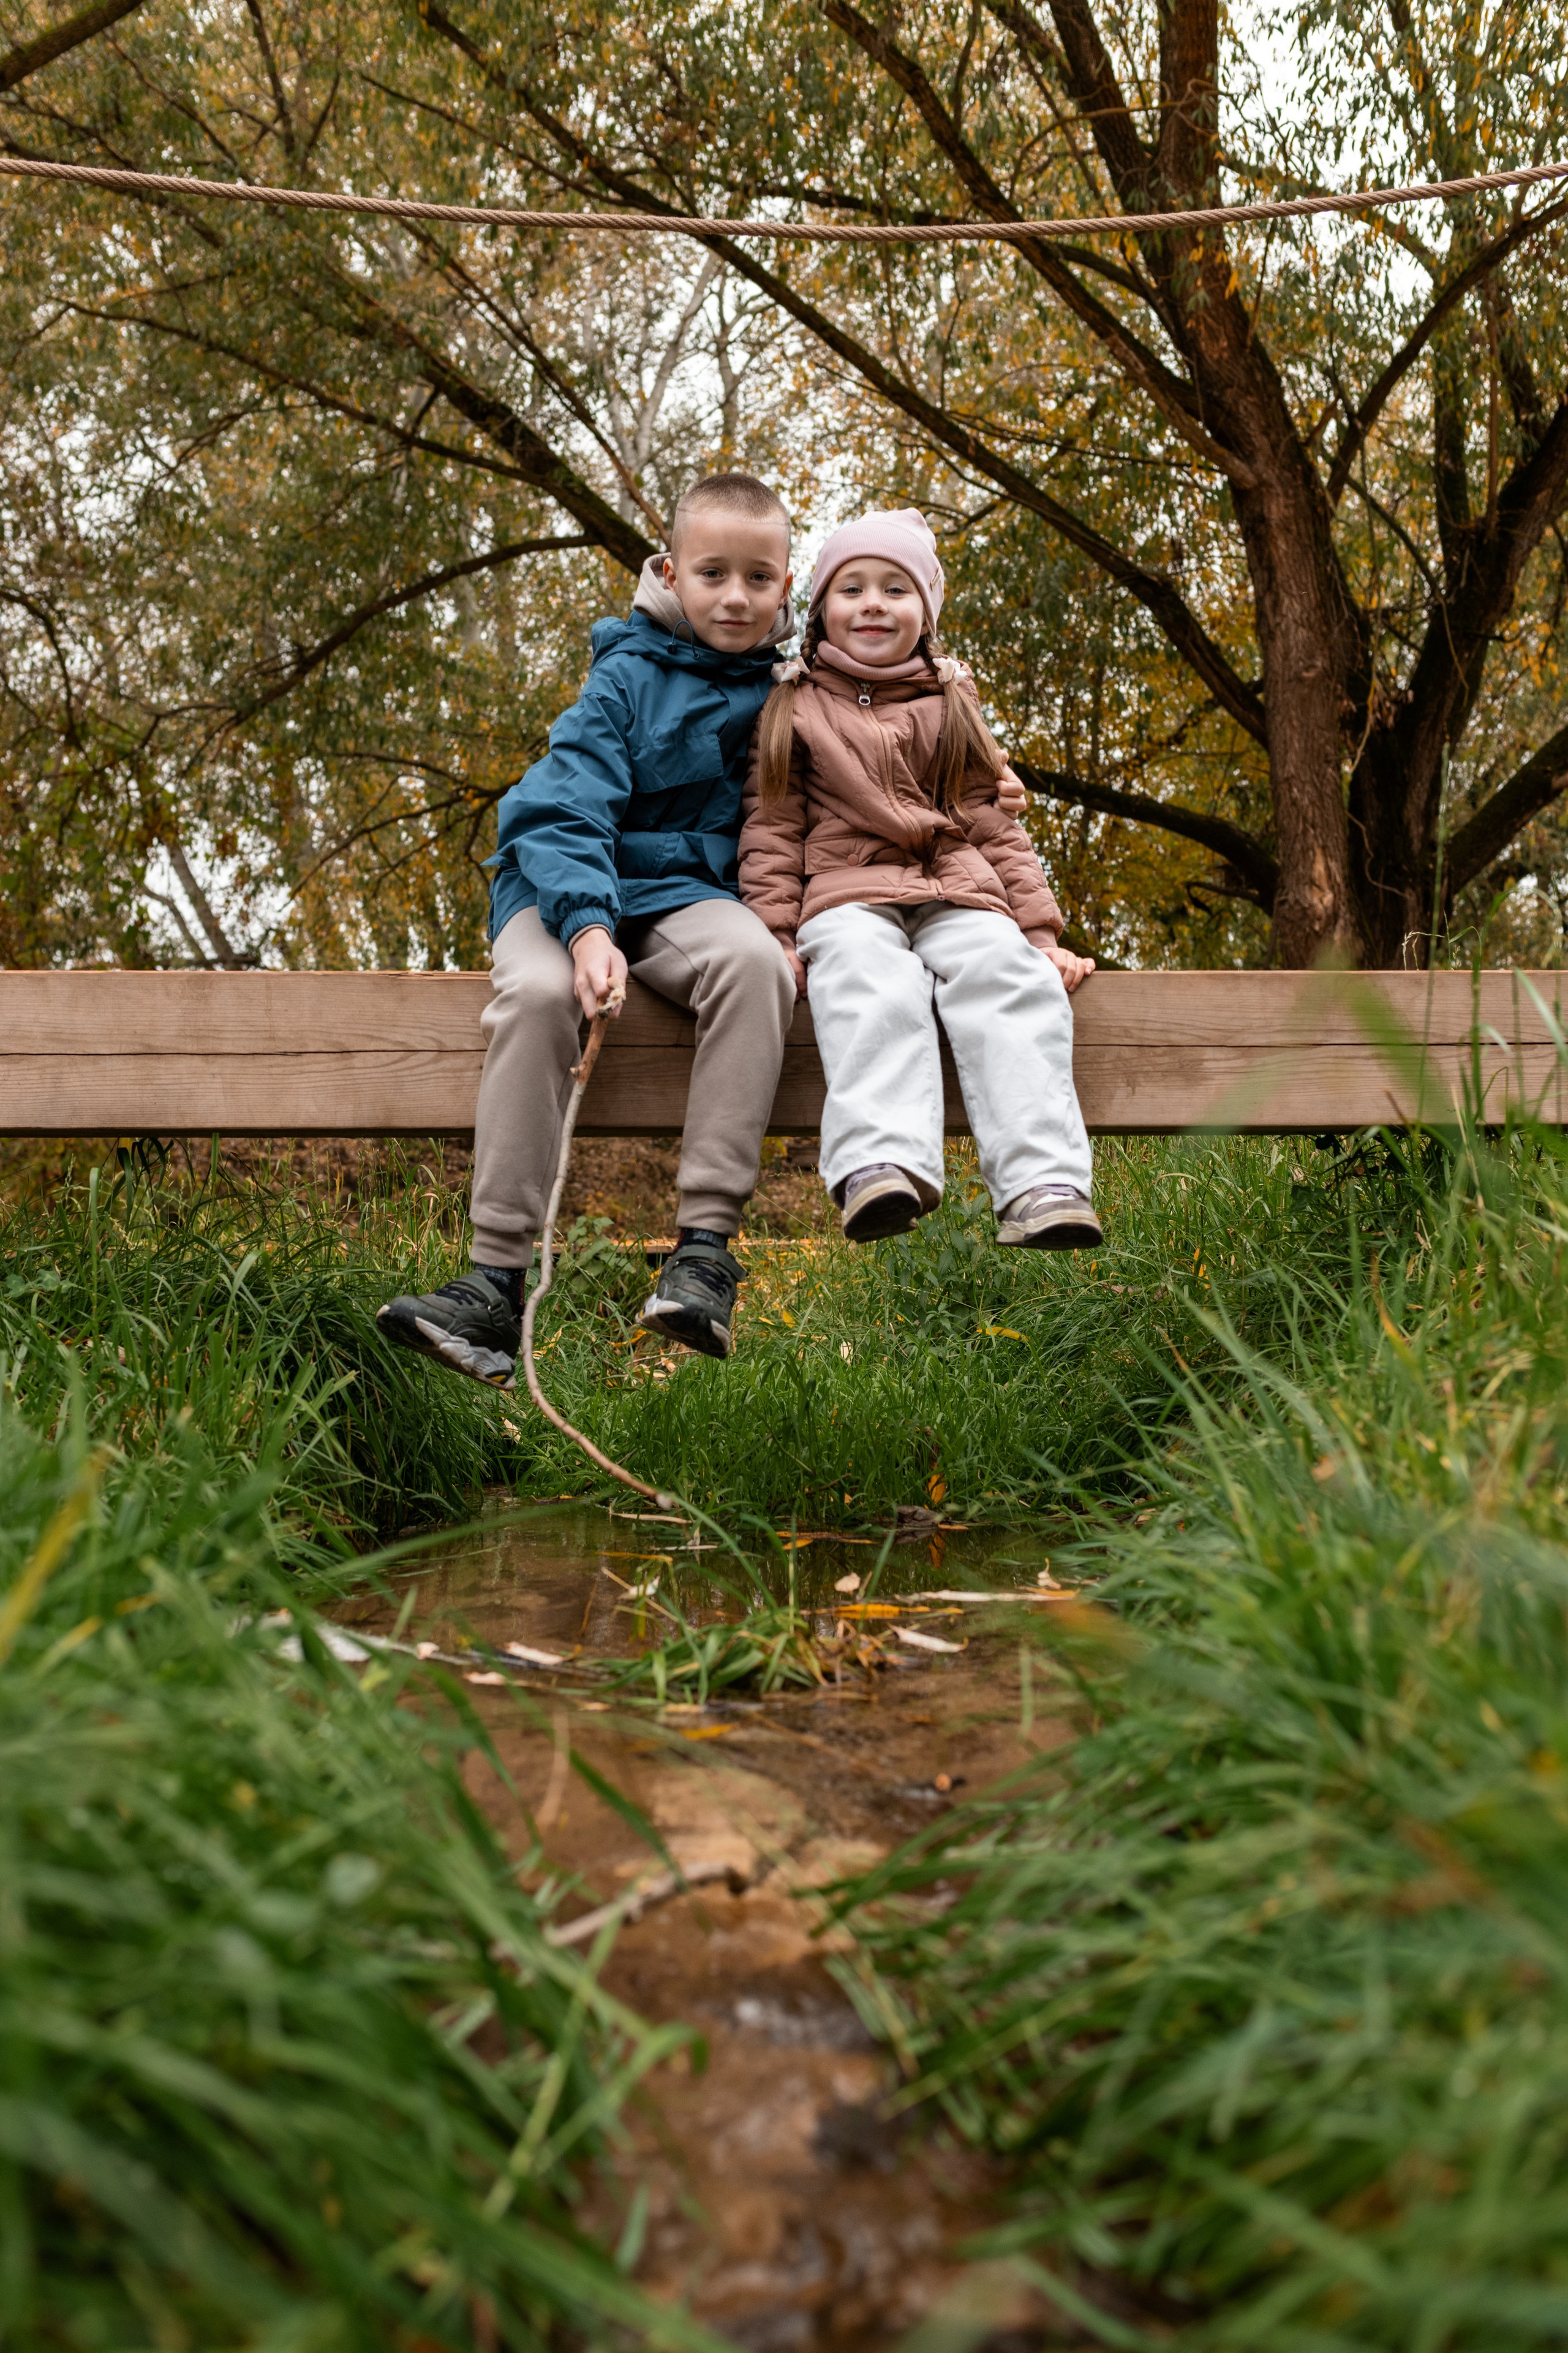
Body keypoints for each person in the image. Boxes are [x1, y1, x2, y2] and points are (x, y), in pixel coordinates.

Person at [377, 472, 802, 1376]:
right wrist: (586, 933)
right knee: (535, 996)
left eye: (758, 578)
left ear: (786, 588)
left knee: (759, 965)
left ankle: (702, 1259)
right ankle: (493, 1282)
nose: (735, 596)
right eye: (713, 573)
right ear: (672, 573)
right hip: (562, 885)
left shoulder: (795, 694)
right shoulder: (623, 677)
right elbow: (567, 814)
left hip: (684, 896)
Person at [738, 507, 1100, 1250]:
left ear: (926, 614)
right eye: (853, 588)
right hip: (847, 893)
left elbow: (993, 824)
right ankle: (880, 1163)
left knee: (1008, 977)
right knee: (871, 981)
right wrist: (774, 932)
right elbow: (772, 831)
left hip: (957, 890)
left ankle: (1041, 1182)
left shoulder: (952, 705)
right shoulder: (794, 707)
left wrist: (1038, 932)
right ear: (819, 613)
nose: (873, 603)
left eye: (897, 589)